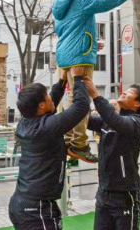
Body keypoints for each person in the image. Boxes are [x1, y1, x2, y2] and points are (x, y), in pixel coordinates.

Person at [52, 0, 140, 163]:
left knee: (72, 100)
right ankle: (79, 143)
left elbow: (67, 31)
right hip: (80, 57)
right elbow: (109, 0)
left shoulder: (61, 2)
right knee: (82, 101)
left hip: (66, 57)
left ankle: (69, 139)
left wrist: (92, 45)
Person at [9, 66, 90, 230]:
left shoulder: (26, 123)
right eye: (46, 96)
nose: (51, 98)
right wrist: (78, 78)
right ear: (40, 105)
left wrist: (62, 81)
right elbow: (81, 107)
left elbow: (51, 101)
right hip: (36, 209)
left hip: (23, 204)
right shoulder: (46, 127)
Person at [83, 77, 140, 230]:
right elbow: (84, 120)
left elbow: (116, 121)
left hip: (125, 195)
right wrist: (80, 92)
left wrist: (95, 93)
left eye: (130, 93)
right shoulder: (108, 121)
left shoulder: (136, 122)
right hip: (104, 193)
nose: (124, 93)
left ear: (137, 103)